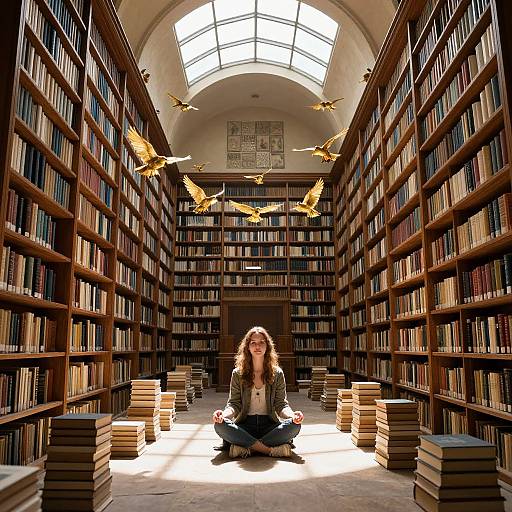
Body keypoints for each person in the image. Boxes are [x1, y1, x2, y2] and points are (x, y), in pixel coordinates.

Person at [212, 326, 304, 458]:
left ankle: (247, 448)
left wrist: (293, 415)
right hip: (245, 425)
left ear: (268, 346)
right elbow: (234, 404)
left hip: (269, 425)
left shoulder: (277, 374)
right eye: (253, 343)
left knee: (295, 426)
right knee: (219, 425)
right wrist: (222, 415)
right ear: (247, 347)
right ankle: (269, 450)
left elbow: (281, 405)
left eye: (262, 342)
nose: (257, 346)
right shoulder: (238, 374)